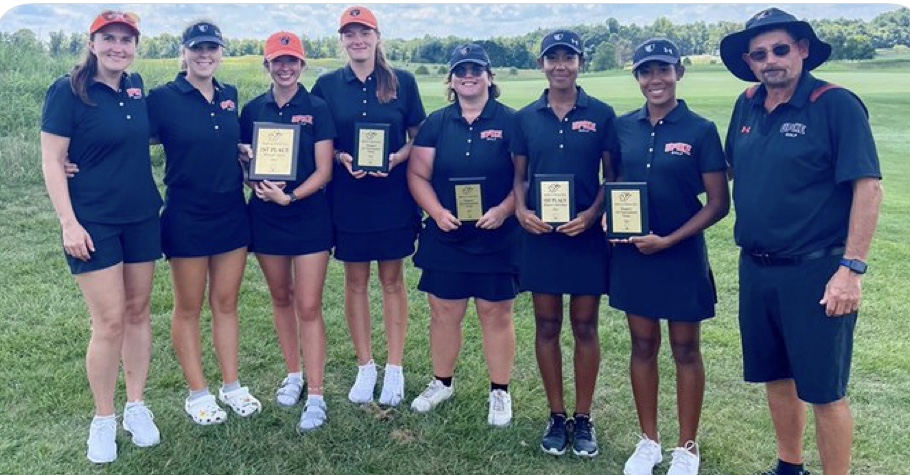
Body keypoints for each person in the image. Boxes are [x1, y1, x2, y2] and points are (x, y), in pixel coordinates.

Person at [720, 8, 882, 475]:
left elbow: (868, 188)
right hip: (756, 268)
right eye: (759, 54)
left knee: (824, 390)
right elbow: (731, 170)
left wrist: (851, 270)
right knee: (776, 374)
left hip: (817, 271)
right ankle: (789, 465)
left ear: (803, 50)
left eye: (780, 49)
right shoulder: (747, 103)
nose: (770, 60)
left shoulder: (836, 104)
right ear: (749, 62)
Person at [40, 10, 163, 463]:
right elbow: (53, 160)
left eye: (126, 40)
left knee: (138, 311)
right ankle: (103, 418)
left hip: (142, 216)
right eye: (108, 38)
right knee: (109, 320)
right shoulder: (68, 90)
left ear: (135, 45)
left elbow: (138, 137)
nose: (118, 47)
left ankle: (136, 405)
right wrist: (68, 223)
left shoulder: (136, 87)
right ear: (91, 42)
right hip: (93, 221)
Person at [611, 39, 730, 475]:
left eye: (663, 70)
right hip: (634, 256)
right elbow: (614, 183)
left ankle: (687, 447)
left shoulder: (699, 130)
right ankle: (649, 442)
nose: (655, 79)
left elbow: (718, 203)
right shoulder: (623, 127)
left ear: (679, 72)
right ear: (637, 77)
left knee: (685, 349)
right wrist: (611, 221)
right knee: (642, 345)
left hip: (679, 257)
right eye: (646, 72)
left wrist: (669, 239)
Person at [147, 20, 261, 426]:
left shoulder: (229, 95)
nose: (205, 54)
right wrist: (75, 160)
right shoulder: (162, 98)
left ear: (221, 52)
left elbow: (230, 145)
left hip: (231, 211)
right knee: (189, 307)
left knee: (226, 303)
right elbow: (125, 137)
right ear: (184, 52)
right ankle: (197, 393)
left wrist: (245, 154)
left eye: (212, 47)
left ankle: (231, 385)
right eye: (197, 48)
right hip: (187, 215)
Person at [311, 5, 426, 407]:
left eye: (364, 33)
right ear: (341, 40)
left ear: (378, 37)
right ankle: (365, 365)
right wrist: (342, 155)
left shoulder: (403, 82)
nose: (357, 40)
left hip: (392, 195)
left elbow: (419, 139)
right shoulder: (326, 85)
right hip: (348, 196)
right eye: (349, 34)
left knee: (392, 281)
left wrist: (397, 157)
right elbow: (320, 140)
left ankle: (394, 368)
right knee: (355, 282)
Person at [511, 29, 617, 457]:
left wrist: (592, 215)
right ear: (541, 65)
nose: (560, 65)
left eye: (568, 58)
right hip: (540, 234)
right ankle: (557, 416)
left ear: (580, 63)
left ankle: (584, 417)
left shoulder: (602, 114)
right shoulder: (526, 117)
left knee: (585, 325)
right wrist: (520, 210)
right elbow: (518, 176)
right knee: (547, 325)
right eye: (552, 58)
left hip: (584, 235)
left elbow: (612, 177)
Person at [406, 44, 519, 426]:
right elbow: (418, 175)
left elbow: (525, 179)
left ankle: (500, 391)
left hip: (497, 235)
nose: (468, 76)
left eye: (475, 69)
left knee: (496, 314)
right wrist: (436, 212)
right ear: (451, 80)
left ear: (489, 76)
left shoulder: (510, 121)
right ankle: (441, 382)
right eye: (460, 71)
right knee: (443, 312)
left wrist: (504, 210)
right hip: (447, 233)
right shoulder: (437, 122)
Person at [239, 31, 335, 432]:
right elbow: (246, 167)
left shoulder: (317, 108)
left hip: (308, 215)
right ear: (267, 65)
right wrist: (252, 179)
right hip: (266, 217)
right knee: (281, 298)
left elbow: (324, 170)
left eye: (291, 60)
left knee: (308, 306)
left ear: (301, 65)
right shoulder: (251, 110)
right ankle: (293, 374)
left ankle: (316, 393)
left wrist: (290, 197)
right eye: (277, 60)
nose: (284, 67)